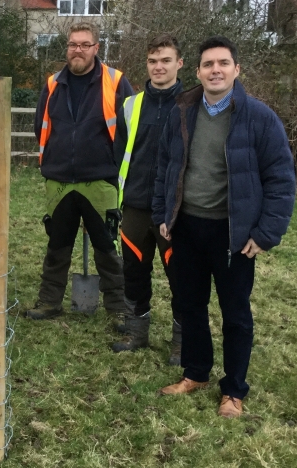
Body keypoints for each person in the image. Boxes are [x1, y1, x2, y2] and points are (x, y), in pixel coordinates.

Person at [154, 36, 295, 418]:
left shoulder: (259, 117)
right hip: (186, 227)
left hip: (234, 235)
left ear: (237, 70)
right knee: (190, 304)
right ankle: (196, 372)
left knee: (235, 313)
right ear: (197, 71)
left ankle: (233, 390)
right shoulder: (182, 111)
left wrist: (266, 234)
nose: (215, 70)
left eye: (223, 63)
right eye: (208, 64)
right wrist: (163, 215)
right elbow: (165, 167)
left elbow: (281, 180)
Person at [26, 22, 134, 320]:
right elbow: (41, 126)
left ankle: (118, 308)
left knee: (107, 248)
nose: (78, 50)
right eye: (73, 44)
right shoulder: (52, 84)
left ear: (97, 48)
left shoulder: (115, 82)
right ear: (67, 47)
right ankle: (49, 301)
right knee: (57, 246)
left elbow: (129, 128)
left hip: (100, 180)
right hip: (59, 180)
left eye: (85, 45)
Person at [112, 34, 184, 363]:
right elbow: (120, 152)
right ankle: (136, 331)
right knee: (134, 270)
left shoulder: (193, 103)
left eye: (166, 60)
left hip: (177, 208)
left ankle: (184, 339)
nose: (159, 67)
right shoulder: (131, 104)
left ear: (179, 64)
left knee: (182, 275)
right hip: (137, 205)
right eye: (153, 61)